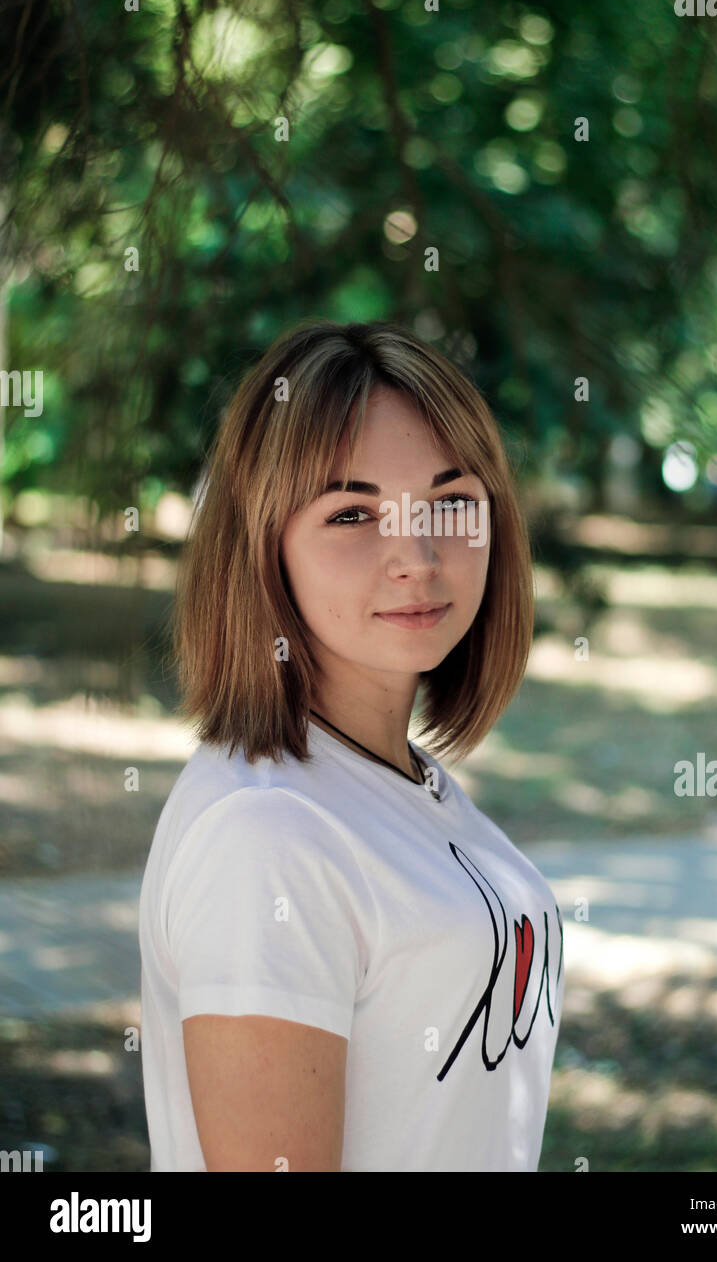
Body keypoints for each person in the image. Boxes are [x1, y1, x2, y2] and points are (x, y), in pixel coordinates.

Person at [138, 319, 565, 1172]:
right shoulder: (267, 836)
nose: (416, 554)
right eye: (353, 513)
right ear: (264, 549)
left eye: (450, 500)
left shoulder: (398, 781)